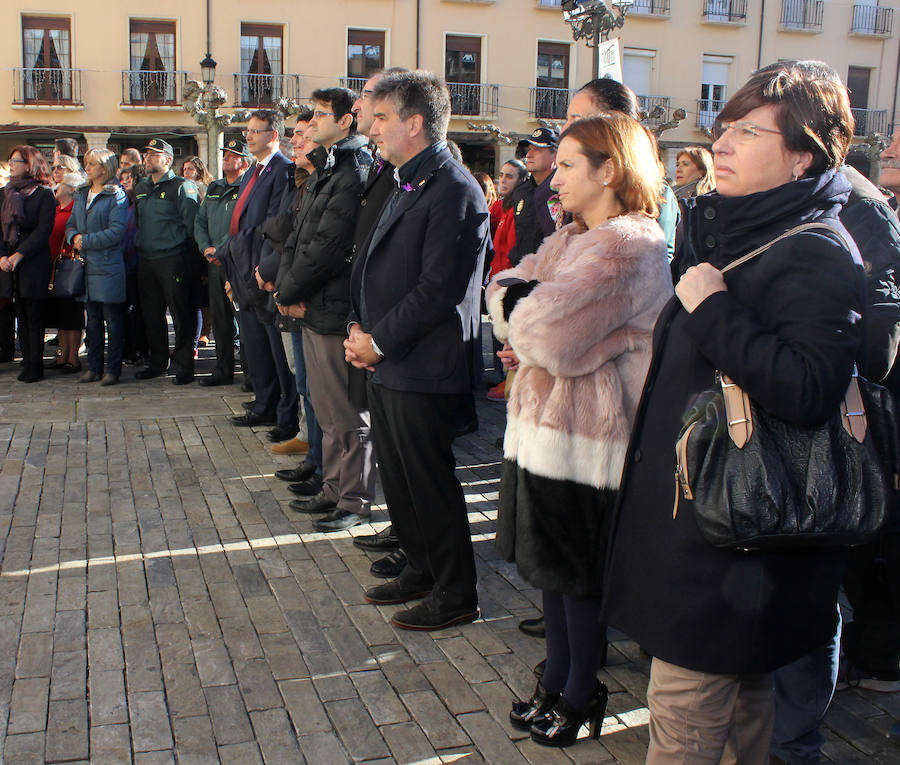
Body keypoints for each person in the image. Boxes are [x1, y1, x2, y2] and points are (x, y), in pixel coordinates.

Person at [602, 60, 863, 762]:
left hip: (735, 552)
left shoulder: (814, 251)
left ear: (803, 152)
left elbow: (808, 388)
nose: (722, 141)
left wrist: (714, 307)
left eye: (749, 130)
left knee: (682, 726)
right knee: (741, 717)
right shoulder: (739, 231)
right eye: (725, 126)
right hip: (718, 540)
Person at [486, 112, 672, 748]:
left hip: (594, 439)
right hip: (544, 426)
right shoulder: (571, 238)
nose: (554, 178)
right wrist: (526, 315)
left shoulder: (629, 245)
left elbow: (548, 334)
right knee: (549, 569)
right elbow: (505, 282)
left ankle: (580, 688)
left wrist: (525, 320)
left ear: (609, 170)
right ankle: (558, 678)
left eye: (566, 166)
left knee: (578, 573)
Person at [345, 70, 489, 631]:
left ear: (415, 123)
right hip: (390, 360)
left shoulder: (453, 187)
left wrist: (377, 341)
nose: (371, 128)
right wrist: (362, 329)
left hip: (422, 365)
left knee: (430, 483)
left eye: (380, 118)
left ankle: (457, 592)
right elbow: (374, 264)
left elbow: (438, 289)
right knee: (402, 478)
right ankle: (422, 567)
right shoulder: (407, 178)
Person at [266, 87, 375, 533]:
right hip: (314, 304)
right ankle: (334, 488)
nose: (310, 124)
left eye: (319, 115)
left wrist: (287, 289)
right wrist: (286, 289)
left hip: (332, 307)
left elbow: (328, 247)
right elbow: (297, 234)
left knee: (346, 415)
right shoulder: (329, 167)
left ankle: (354, 498)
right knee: (327, 412)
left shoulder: (352, 170)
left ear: (346, 120)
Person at [217, 110, 297, 438]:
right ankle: (263, 403)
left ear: (273, 135)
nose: (248, 136)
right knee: (254, 344)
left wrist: (260, 268)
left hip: (262, 269)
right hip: (242, 266)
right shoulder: (254, 170)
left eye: (255, 131)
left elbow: (274, 225)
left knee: (277, 349)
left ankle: (285, 413)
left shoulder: (282, 170)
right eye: (247, 130)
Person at [132, 138, 200, 384]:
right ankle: (158, 361)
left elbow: (192, 226)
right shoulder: (140, 187)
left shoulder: (182, 186)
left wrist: (190, 263)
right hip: (147, 259)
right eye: (147, 154)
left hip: (173, 259)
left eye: (154, 154)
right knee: (152, 316)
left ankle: (184, 365)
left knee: (180, 315)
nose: (148, 158)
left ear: (168, 160)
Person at [66, 149, 128, 386]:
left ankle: (112, 369)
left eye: (92, 164)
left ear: (105, 168)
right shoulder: (82, 193)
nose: (87, 168)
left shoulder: (116, 195)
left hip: (108, 265)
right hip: (86, 266)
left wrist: (86, 241)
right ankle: (93, 366)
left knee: (112, 320)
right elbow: (71, 222)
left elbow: (117, 231)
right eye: (86, 164)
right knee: (91, 320)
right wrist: (74, 237)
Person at [194, 140, 250, 387]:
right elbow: (200, 222)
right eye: (225, 154)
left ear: (244, 163)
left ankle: (250, 373)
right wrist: (206, 248)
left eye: (233, 155)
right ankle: (223, 369)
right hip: (213, 262)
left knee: (245, 321)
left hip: (237, 262)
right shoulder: (214, 188)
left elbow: (246, 224)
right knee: (220, 319)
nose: (226, 158)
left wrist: (223, 250)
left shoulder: (248, 187)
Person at [0, 146, 55, 383]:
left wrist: (20, 253)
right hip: (9, 260)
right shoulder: (4, 193)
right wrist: (2, 255)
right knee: (19, 312)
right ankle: (26, 361)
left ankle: (35, 364)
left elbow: (44, 229)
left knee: (33, 314)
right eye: (10, 161)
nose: (11, 165)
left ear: (30, 164)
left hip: (33, 260)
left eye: (16, 161)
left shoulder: (43, 194)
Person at [486, 159, 528, 402]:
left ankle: (508, 381)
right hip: (497, 280)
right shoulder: (502, 207)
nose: (502, 180)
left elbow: (512, 250)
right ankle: (502, 377)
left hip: (508, 282)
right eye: (501, 175)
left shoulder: (517, 211)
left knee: (507, 337)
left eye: (509, 176)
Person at [46, 171, 85, 373]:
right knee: (60, 315)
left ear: (70, 189)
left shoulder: (74, 211)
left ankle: (73, 356)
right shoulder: (56, 210)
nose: (56, 187)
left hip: (69, 269)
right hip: (54, 269)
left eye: (60, 184)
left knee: (72, 315)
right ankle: (62, 354)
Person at [506, 127, 559, 267]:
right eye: (529, 149)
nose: (529, 155)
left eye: (538, 150)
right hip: (521, 277)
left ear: (555, 155)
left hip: (549, 279)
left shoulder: (563, 192)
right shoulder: (520, 192)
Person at [119, 165, 148, 365]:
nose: (124, 182)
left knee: (139, 309)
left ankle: (141, 348)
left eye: (128, 178)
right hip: (123, 263)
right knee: (127, 310)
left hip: (140, 262)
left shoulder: (140, 201)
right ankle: (128, 347)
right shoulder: (123, 203)